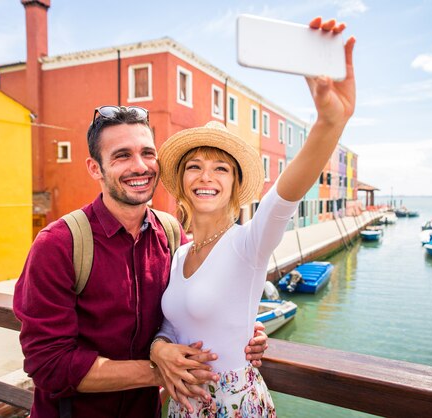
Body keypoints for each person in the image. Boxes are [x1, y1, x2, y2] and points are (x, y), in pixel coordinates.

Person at [150, 17, 355, 417]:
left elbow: (285, 195)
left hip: (236, 406)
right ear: (182, 180)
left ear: (234, 184)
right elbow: (172, 327)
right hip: (184, 406)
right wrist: (160, 348)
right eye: (194, 166)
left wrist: (330, 122)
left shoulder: (249, 243)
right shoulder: (178, 255)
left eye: (221, 168)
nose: (206, 176)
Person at [13, 105, 268, 418]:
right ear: (95, 168)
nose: (140, 166)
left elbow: (185, 309)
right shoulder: (58, 244)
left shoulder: (171, 235)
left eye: (148, 153)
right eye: (122, 155)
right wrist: (159, 371)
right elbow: (48, 363)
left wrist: (237, 329)